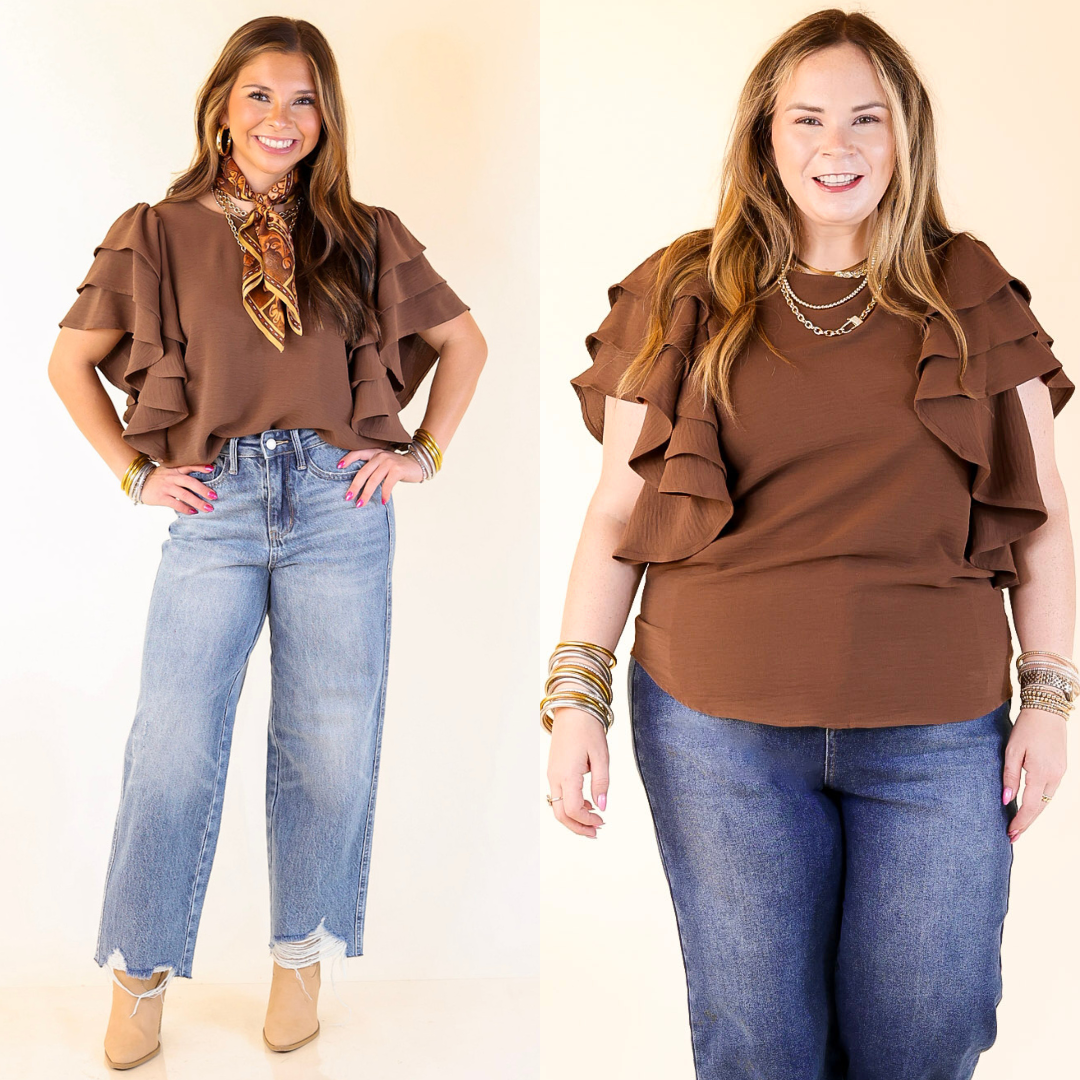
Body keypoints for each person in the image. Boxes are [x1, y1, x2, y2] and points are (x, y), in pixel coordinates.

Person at [543, 9, 1075, 1079]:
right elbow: (616, 515)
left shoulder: (971, 288)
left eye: (868, 120)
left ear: (905, 137)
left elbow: (1043, 516)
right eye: (811, 119)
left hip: (937, 731)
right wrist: (574, 698)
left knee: (929, 1033)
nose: (840, 147)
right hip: (715, 728)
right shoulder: (682, 289)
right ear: (765, 138)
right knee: (758, 1045)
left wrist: (1051, 700)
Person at [48, 16, 487, 1071]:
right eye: (259, 97)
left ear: (325, 114)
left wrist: (423, 452)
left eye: (302, 99)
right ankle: (140, 972)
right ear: (220, 107)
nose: (280, 120)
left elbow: (464, 344)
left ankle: (302, 958)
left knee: (327, 744)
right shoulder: (157, 230)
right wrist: (137, 473)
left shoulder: (368, 231)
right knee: (172, 745)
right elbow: (71, 364)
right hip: (220, 505)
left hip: (341, 502)